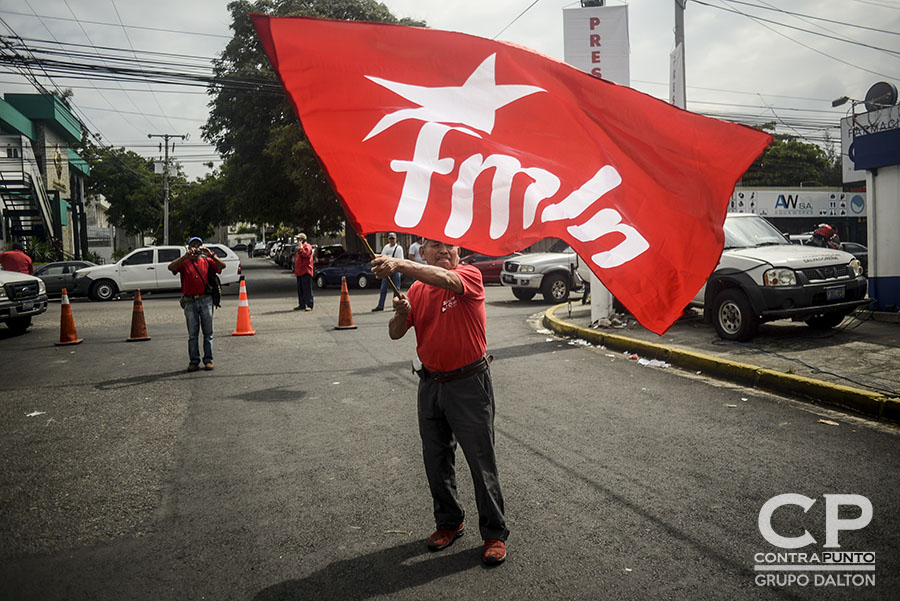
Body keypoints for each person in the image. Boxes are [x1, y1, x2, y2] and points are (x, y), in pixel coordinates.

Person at [371, 239, 509, 566]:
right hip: (431, 384)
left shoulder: (469, 276)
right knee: (436, 460)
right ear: (423, 251)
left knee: (480, 461)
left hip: (469, 384)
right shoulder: (417, 291)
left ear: (460, 253)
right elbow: (395, 333)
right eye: (436, 246)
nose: (444, 251)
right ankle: (449, 521)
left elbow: (446, 280)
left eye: (451, 246)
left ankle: (494, 533)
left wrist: (399, 265)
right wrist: (401, 314)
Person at [167, 236, 225, 372]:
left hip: (206, 300)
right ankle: (194, 361)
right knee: (193, 335)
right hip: (190, 301)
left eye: (198, 246)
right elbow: (171, 267)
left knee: (208, 333)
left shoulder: (206, 260)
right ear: (188, 248)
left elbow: (222, 266)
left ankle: (208, 360)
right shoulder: (184, 263)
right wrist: (184, 257)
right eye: (193, 246)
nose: (195, 248)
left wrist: (211, 254)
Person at [371, 233, 404, 311]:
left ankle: (395, 305)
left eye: (393, 239)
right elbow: (382, 257)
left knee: (396, 289)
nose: (391, 240)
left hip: (395, 270)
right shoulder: (386, 247)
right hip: (386, 270)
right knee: (383, 289)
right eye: (390, 239)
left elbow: (400, 260)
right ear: (388, 239)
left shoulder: (399, 248)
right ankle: (380, 305)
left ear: (396, 239)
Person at [293, 233, 314, 311]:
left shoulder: (307, 247)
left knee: (307, 289)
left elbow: (305, 254)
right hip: (299, 271)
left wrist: (301, 247)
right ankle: (302, 304)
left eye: (299, 239)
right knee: (300, 290)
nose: (297, 241)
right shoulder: (299, 248)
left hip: (306, 271)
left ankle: (309, 304)